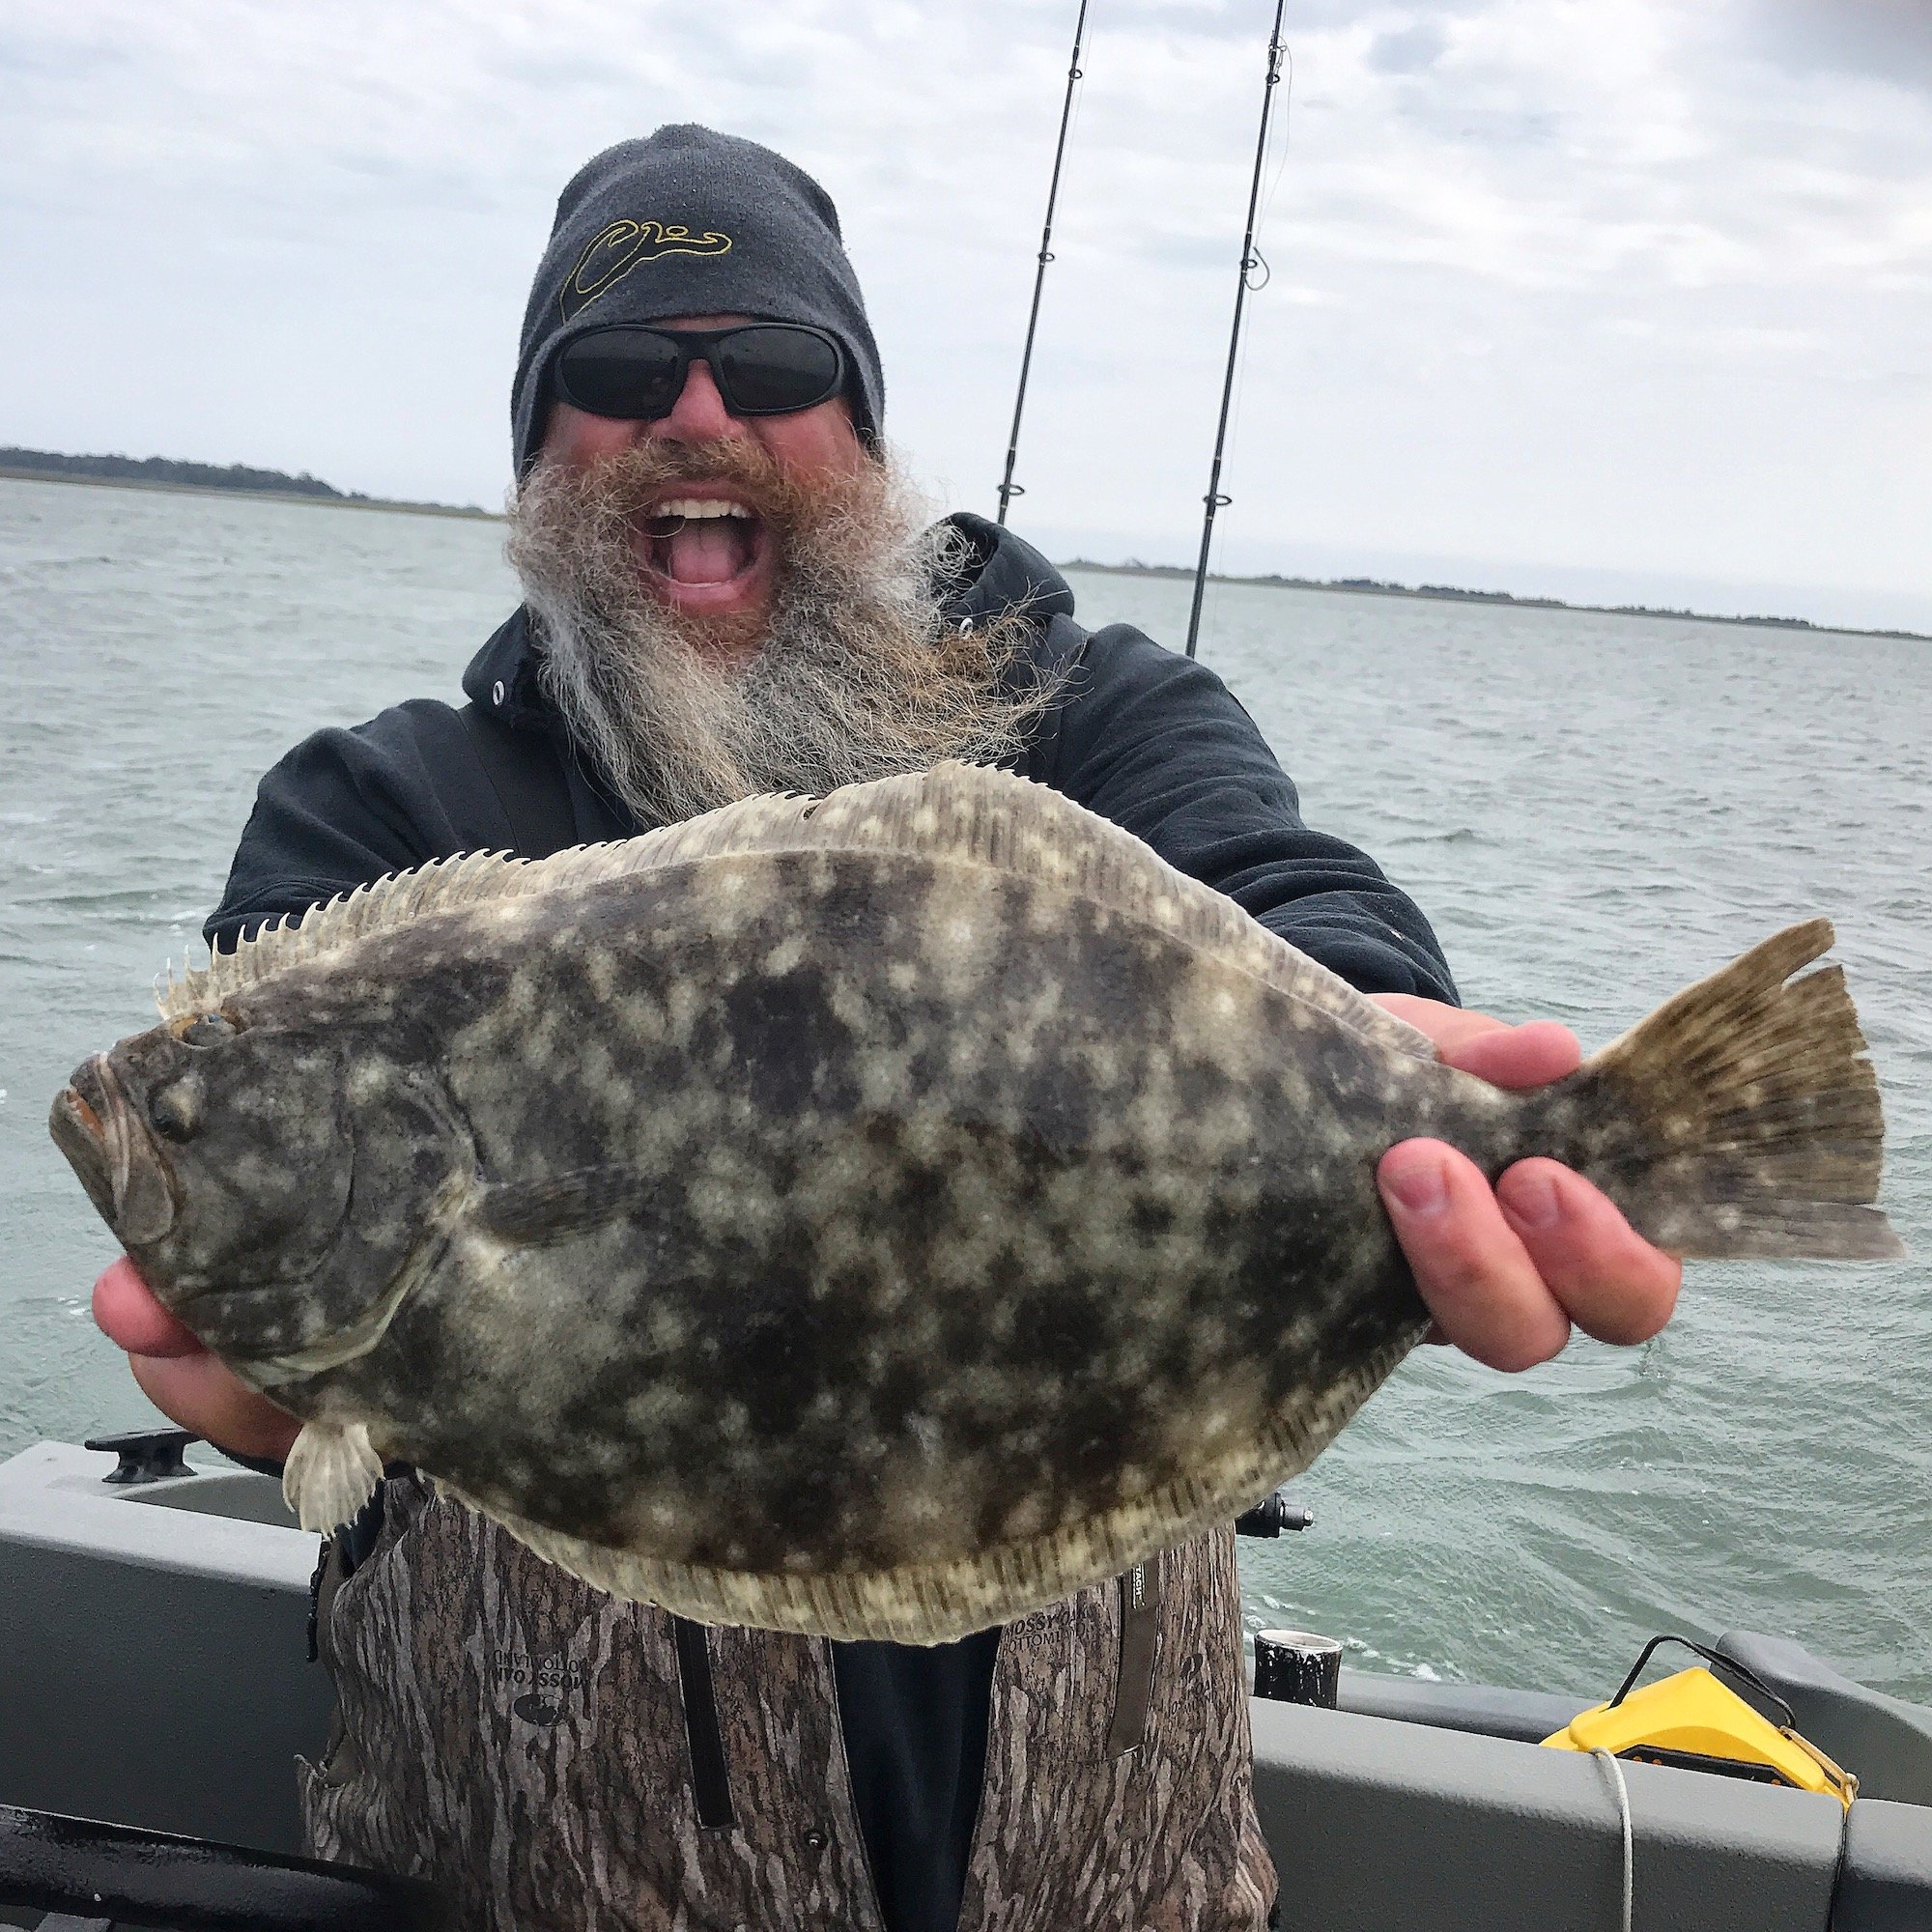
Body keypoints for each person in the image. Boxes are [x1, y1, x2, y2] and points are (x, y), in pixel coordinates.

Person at [93, 126, 1680, 1932]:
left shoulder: (1091, 718)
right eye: (614, 373)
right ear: (536, 447)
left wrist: (1393, 1071)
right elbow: (283, 1318)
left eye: (771, 365)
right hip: (536, 1869)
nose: (696, 415)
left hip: (1108, 1862)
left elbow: (1288, 894)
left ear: (862, 433)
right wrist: (264, 1383)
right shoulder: (376, 818)